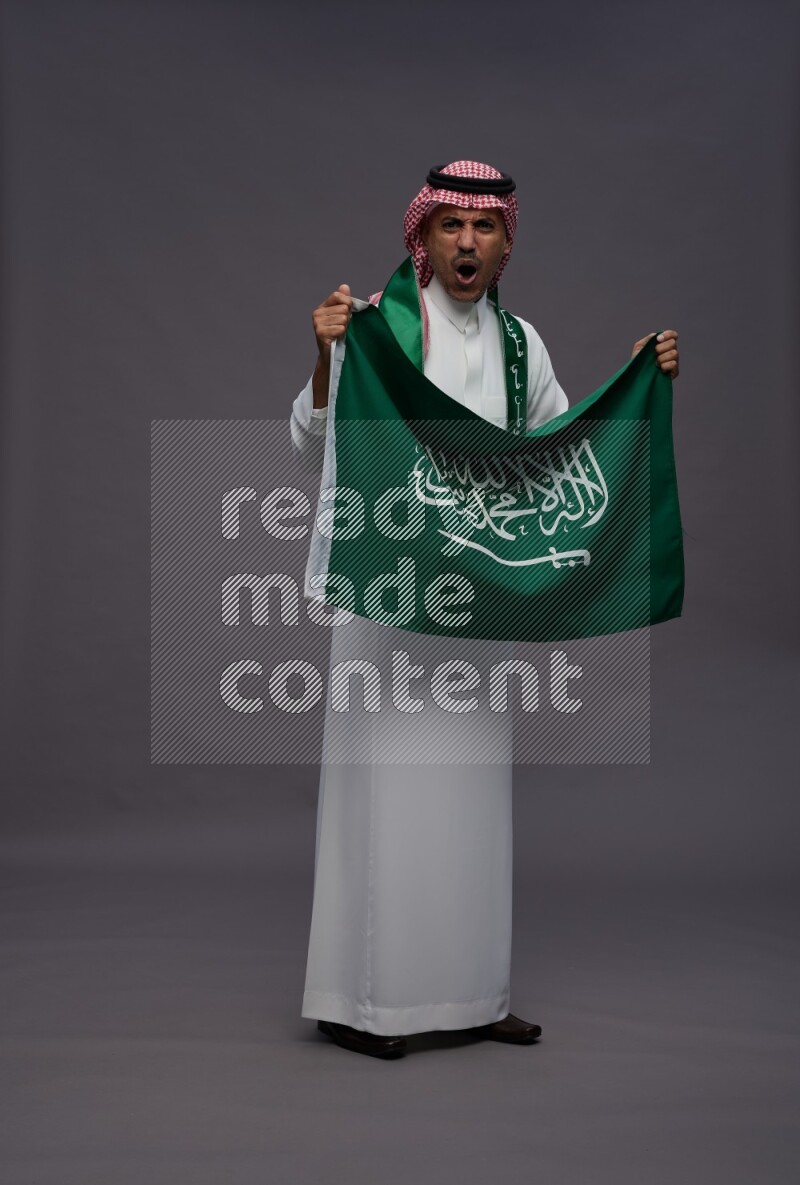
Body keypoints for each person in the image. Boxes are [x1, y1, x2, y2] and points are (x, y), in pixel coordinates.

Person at [290, 161, 679, 1059]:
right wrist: (323, 354)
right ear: (421, 237)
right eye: (450, 225)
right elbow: (311, 441)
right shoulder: (378, 331)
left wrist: (632, 389)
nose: (467, 241)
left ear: (506, 243)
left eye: (485, 227)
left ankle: (472, 995)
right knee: (385, 802)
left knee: (471, 805)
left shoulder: (521, 346)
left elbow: (556, 452)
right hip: (389, 596)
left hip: (477, 600)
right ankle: (368, 1004)